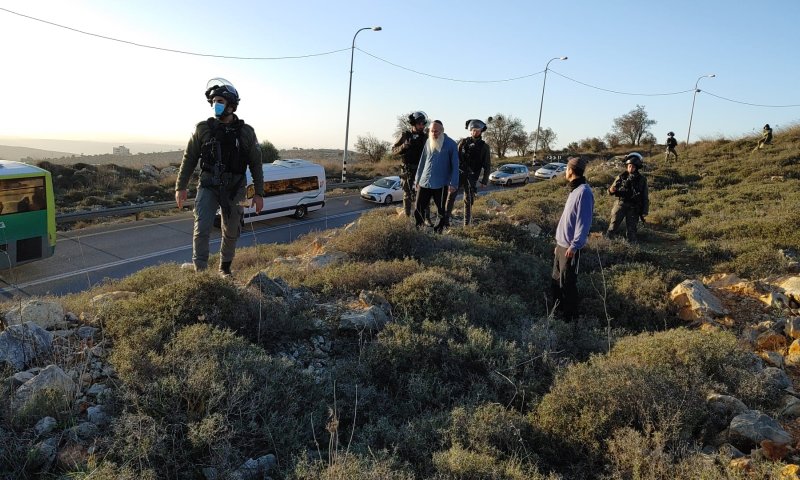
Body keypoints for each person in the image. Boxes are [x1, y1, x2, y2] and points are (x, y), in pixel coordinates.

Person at [175, 78, 264, 276]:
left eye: (221, 101)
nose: (216, 105)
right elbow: (189, 159)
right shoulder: (202, 129)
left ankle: (225, 268)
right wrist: (180, 187)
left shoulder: (246, 132)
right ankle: (201, 272)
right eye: (214, 101)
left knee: (232, 230)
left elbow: (256, 164)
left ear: (231, 105)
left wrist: (259, 193)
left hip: (236, 188)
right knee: (202, 227)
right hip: (208, 185)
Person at [552, 156, 594, 320]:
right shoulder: (574, 190)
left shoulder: (584, 191)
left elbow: (584, 222)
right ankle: (557, 315)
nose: (565, 171)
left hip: (570, 248)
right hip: (561, 246)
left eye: (566, 168)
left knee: (568, 285)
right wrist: (559, 244)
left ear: (571, 170)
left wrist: (574, 246)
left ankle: (570, 321)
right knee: (556, 283)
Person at [444, 118, 492, 226]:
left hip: (472, 176)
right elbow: (454, 158)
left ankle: (467, 224)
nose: (475, 132)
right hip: (459, 173)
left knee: (468, 200)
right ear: (470, 130)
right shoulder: (463, 142)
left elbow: (487, 165)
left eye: (477, 130)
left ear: (481, 131)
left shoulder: (484, 147)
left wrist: (484, 181)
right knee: (451, 195)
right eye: (473, 130)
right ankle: (445, 220)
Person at [414, 120, 458, 233]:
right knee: (418, 208)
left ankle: (437, 232)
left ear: (442, 131)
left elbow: (455, 165)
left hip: (441, 184)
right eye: (432, 131)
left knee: (441, 210)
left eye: (436, 131)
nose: (434, 133)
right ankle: (419, 229)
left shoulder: (451, 144)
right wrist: (417, 179)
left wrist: (453, 183)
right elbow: (422, 161)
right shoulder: (428, 141)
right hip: (424, 182)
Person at [392, 111, 429, 217]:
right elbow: (393, 150)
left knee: (424, 193)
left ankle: (424, 218)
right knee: (407, 195)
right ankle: (407, 216)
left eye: (423, 124)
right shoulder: (405, 135)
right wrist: (403, 146)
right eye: (419, 124)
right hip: (407, 170)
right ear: (413, 123)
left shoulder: (425, 137)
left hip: (422, 170)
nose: (421, 126)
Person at [605, 152, 649, 242]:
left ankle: (632, 250)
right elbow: (610, 191)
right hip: (620, 205)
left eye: (633, 166)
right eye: (629, 166)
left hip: (633, 207)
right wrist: (611, 190)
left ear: (637, 167)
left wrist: (645, 211)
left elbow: (645, 196)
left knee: (631, 230)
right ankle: (606, 244)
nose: (631, 168)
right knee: (612, 227)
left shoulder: (642, 180)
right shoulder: (621, 177)